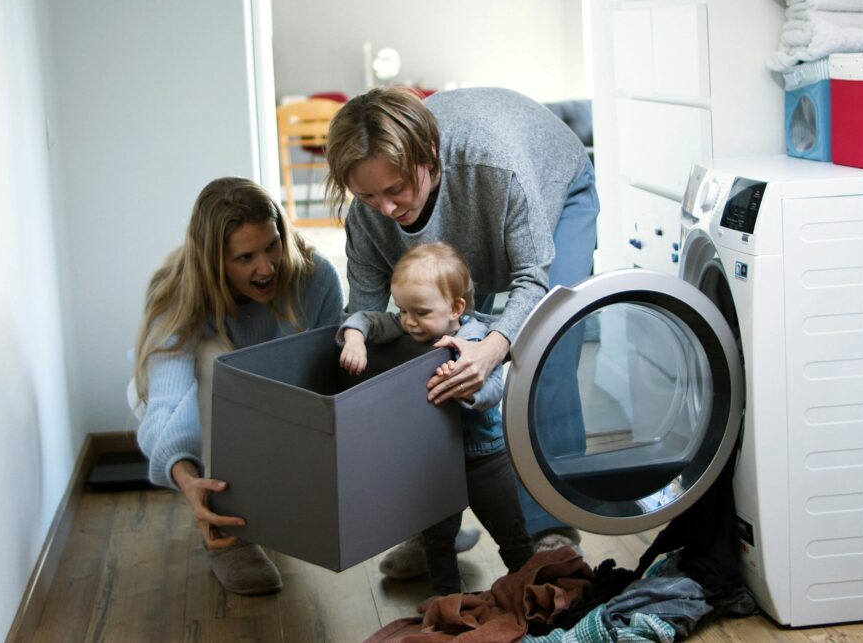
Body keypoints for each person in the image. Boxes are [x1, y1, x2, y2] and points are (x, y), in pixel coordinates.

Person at [325, 86, 600, 577]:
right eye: (367, 195)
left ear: (428, 157)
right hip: (469, 221)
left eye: (394, 190)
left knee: (545, 350)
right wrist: (356, 344)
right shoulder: (368, 217)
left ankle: (547, 530)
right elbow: (366, 315)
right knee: (412, 348)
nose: (384, 209)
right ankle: (433, 521)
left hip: (555, 189)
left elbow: (531, 279)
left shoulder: (495, 166)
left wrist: (492, 349)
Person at [133, 177, 343, 595]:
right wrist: (189, 481)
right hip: (195, 404)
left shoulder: (316, 278)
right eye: (245, 257)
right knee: (216, 358)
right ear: (214, 262)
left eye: (271, 246)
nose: (265, 268)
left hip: (279, 397)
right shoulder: (178, 293)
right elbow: (167, 404)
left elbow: (325, 379)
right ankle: (228, 534)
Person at [337, 242, 534, 594]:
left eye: (421, 312)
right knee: (438, 540)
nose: (409, 321)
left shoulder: (474, 339)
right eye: (402, 309)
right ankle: (448, 601)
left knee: (511, 532)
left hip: (483, 458)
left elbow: (492, 391)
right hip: (432, 462)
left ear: (456, 307)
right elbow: (366, 318)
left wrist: (465, 388)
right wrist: (354, 340)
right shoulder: (406, 326)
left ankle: (530, 590)